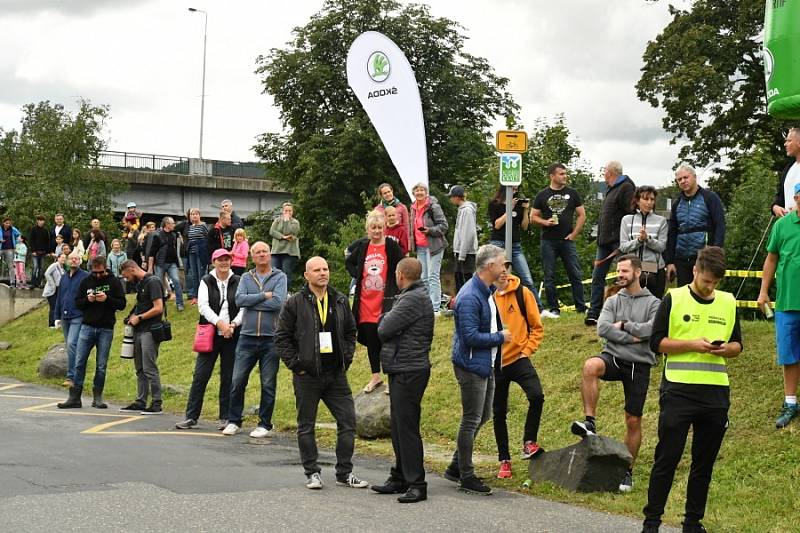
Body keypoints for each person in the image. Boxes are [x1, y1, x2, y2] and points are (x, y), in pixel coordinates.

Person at [641, 246, 742, 533]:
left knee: (704, 464)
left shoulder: (727, 301)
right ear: (695, 271)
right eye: (706, 280)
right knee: (667, 458)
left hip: (715, 394)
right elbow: (656, 342)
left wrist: (725, 350)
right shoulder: (673, 298)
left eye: (715, 283)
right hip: (679, 391)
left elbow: (737, 344)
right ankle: (652, 523)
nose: (710, 287)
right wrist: (691, 344)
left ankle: (692, 523)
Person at [276, 256, 369, 490]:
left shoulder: (339, 300)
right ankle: (312, 472)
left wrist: (346, 358)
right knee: (306, 425)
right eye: (316, 270)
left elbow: (350, 331)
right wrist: (297, 365)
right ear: (307, 275)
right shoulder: (295, 303)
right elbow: (282, 337)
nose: (322, 273)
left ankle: (344, 473)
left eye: (325, 269)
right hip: (307, 375)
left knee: (348, 422)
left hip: (335, 374)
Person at [571, 255, 660, 493]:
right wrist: (633, 337)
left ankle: (626, 471)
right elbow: (602, 328)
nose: (619, 275)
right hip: (612, 357)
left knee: (633, 420)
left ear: (638, 273)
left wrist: (624, 326)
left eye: (624, 271)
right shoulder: (613, 299)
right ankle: (590, 422)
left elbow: (652, 330)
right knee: (590, 366)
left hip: (639, 365)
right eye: (618, 271)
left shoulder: (654, 303)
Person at [445, 244, 513, 495]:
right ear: (489, 266)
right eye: (502, 263)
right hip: (471, 365)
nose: (505, 267)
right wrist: (500, 336)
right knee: (471, 419)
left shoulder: (484, 289)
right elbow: (470, 337)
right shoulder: (469, 296)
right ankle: (466, 475)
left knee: (484, 415)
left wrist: (501, 286)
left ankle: (455, 465)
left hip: (485, 363)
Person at [371, 258, 434, 503]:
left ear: (400, 275)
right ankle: (399, 477)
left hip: (410, 369)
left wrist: (383, 320)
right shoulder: (412, 297)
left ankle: (417, 483)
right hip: (403, 367)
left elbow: (384, 328)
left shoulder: (412, 299)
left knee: (406, 428)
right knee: (398, 426)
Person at [222, 241, 287, 438]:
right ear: (252, 256)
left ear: (270, 254)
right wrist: (263, 295)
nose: (261, 255)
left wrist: (254, 301)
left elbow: (278, 302)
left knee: (268, 383)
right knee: (237, 380)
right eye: (257, 252)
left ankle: (265, 424)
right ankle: (234, 420)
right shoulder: (246, 277)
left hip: (271, 338)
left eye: (264, 252)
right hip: (247, 337)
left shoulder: (280, 276)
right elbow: (239, 300)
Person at [176, 249, 243, 430]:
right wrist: (220, 324)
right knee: (200, 375)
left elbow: (244, 306)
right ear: (213, 261)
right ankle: (191, 416)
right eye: (220, 260)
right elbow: (203, 307)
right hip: (211, 333)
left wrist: (233, 325)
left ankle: (226, 417)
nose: (223, 263)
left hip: (232, 333)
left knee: (228, 376)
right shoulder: (206, 281)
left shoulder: (239, 280)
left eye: (226, 259)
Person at [491, 262, 545, 480]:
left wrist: (527, 350)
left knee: (537, 395)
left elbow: (537, 326)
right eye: (499, 268)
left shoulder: (523, 292)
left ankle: (529, 442)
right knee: (498, 412)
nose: (503, 272)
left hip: (519, 358)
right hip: (496, 363)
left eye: (506, 267)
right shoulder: (487, 297)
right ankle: (504, 460)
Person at [345, 211, 404, 393]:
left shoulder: (391, 246)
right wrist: (358, 274)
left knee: (388, 338)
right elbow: (349, 261)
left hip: (385, 300)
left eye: (379, 227)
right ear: (368, 229)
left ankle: (391, 376)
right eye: (373, 228)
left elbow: (402, 265)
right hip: (365, 301)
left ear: (384, 228)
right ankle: (375, 376)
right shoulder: (363, 245)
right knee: (372, 340)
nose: (376, 231)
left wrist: (396, 285)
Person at [57, 256, 126, 410]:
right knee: (79, 362)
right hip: (87, 326)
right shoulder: (86, 281)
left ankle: (98, 397)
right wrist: (88, 300)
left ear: (105, 268)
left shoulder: (114, 282)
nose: (98, 276)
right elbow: (78, 302)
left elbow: (122, 304)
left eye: (101, 273)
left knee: (101, 365)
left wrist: (107, 299)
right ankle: (74, 397)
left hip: (105, 328)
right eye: (95, 273)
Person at [758, 182, 800, 429]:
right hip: (786, 302)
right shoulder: (782, 225)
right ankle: (790, 402)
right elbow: (771, 258)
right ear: (795, 198)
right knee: (789, 356)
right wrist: (763, 292)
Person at [531, 163, 588, 317]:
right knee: (549, 275)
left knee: (575, 273)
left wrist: (575, 233)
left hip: (567, 240)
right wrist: (545, 222)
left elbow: (582, 214)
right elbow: (533, 217)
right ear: (552, 176)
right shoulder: (542, 195)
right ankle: (554, 308)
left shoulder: (572, 193)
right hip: (548, 241)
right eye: (561, 174)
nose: (564, 176)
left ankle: (581, 307)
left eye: (565, 173)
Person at [586, 161, 636, 326]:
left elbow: (631, 212)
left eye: (604, 172)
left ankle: (627, 312)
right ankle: (594, 313)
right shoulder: (611, 188)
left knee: (625, 275)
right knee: (597, 277)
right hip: (604, 241)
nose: (603, 175)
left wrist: (624, 237)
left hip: (618, 242)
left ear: (611, 172)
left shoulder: (626, 187)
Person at [665, 163, 726, 288]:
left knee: (704, 293)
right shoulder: (677, 204)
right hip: (681, 260)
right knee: (685, 296)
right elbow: (672, 233)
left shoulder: (710, 198)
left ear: (694, 177)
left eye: (686, 177)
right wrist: (669, 261)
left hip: (704, 259)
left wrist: (716, 253)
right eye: (679, 179)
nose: (683, 181)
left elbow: (720, 225)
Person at [118, 260, 166, 415]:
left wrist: (139, 317)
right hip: (139, 331)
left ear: (131, 269)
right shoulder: (142, 283)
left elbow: (159, 308)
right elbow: (141, 305)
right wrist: (131, 316)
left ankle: (156, 403)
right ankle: (141, 400)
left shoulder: (153, 282)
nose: (125, 279)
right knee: (139, 368)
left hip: (150, 331)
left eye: (125, 275)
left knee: (149, 368)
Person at [488, 185, 543, 312]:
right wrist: (509, 209)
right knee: (497, 277)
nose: (515, 191)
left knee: (527, 278)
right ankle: (495, 308)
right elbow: (497, 225)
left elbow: (524, 226)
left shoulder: (518, 204)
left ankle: (538, 309)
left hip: (515, 245)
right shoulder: (495, 204)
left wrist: (525, 211)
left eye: (516, 189)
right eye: (512, 188)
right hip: (499, 244)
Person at [619, 186, 669, 298]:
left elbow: (662, 247)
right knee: (631, 304)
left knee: (655, 305)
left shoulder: (661, 221)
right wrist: (639, 241)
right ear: (637, 201)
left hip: (655, 270)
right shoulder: (626, 220)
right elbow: (623, 247)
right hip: (632, 269)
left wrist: (648, 239)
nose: (649, 202)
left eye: (652, 199)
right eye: (646, 199)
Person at [409, 182, 449, 313]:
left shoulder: (434, 207)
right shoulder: (413, 208)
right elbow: (411, 229)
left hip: (435, 246)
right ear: (413, 193)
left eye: (422, 190)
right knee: (423, 277)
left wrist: (430, 230)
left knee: (433, 276)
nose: (419, 192)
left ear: (426, 193)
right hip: (420, 247)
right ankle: (427, 306)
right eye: (417, 190)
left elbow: (444, 226)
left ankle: (435, 308)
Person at [148, 216, 184, 311]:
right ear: (167, 224)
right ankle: (159, 305)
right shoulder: (157, 236)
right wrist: (150, 268)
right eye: (172, 223)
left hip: (172, 263)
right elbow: (152, 252)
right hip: (160, 264)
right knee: (158, 285)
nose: (174, 225)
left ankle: (180, 303)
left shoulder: (174, 234)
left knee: (176, 281)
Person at [448, 185, 479, 294]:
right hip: (461, 251)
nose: (450, 199)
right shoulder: (462, 210)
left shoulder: (467, 211)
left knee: (466, 280)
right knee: (458, 278)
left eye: (451, 196)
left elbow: (468, 233)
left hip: (466, 252)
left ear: (457, 197)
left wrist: (462, 254)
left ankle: (469, 303)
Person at [269, 202, 301, 286]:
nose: (288, 212)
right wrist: (283, 237)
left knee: (286, 274)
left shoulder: (295, 222)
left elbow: (289, 231)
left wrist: (286, 221)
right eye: (286, 210)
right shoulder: (277, 220)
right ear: (282, 211)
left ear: (292, 212)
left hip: (289, 252)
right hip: (276, 251)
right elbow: (272, 232)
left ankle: (285, 293)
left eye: (290, 211)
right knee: (274, 273)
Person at [772, 127, 800, 218]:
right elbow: (780, 197)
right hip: (790, 226)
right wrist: (775, 207)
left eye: (789, 141)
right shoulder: (788, 169)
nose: (785, 144)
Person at [184, 207, 209, 304]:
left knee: (201, 275)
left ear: (199, 215)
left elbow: (207, 239)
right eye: (192, 214)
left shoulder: (203, 226)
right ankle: (195, 296)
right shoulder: (190, 227)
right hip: (191, 252)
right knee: (194, 275)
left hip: (201, 253)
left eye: (196, 214)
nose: (194, 216)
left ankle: (203, 296)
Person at [43, 253, 66, 328]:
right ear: (58, 258)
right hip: (52, 290)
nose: (63, 259)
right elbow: (47, 274)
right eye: (62, 257)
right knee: (53, 307)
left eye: (64, 258)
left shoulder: (63, 268)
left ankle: (57, 323)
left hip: (59, 290)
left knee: (58, 307)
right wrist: (52, 284)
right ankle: (51, 324)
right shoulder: (54, 265)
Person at [28, 215, 50, 288]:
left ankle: (39, 283)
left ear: (44, 222)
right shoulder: (33, 229)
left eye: (42, 220)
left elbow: (47, 241)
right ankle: (33, 283)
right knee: (35, 267)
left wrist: (47, 252)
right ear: (37, 221)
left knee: (42, 268)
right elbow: (31, 240)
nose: (41, 222)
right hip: (35, 252)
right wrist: (33, 250)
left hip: (43, 253)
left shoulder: (45, 230)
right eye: (39, 220)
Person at [1, 217, 21, 286]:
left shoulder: (12, 229)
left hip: (9, 249)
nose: (8, 224)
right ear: (3, 223)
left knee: (11, 266)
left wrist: (16, 242)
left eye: (9, 223)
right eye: (6, 223)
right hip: (1, 248)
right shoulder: (0, 229)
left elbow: (19, 234)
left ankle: (12, 282)